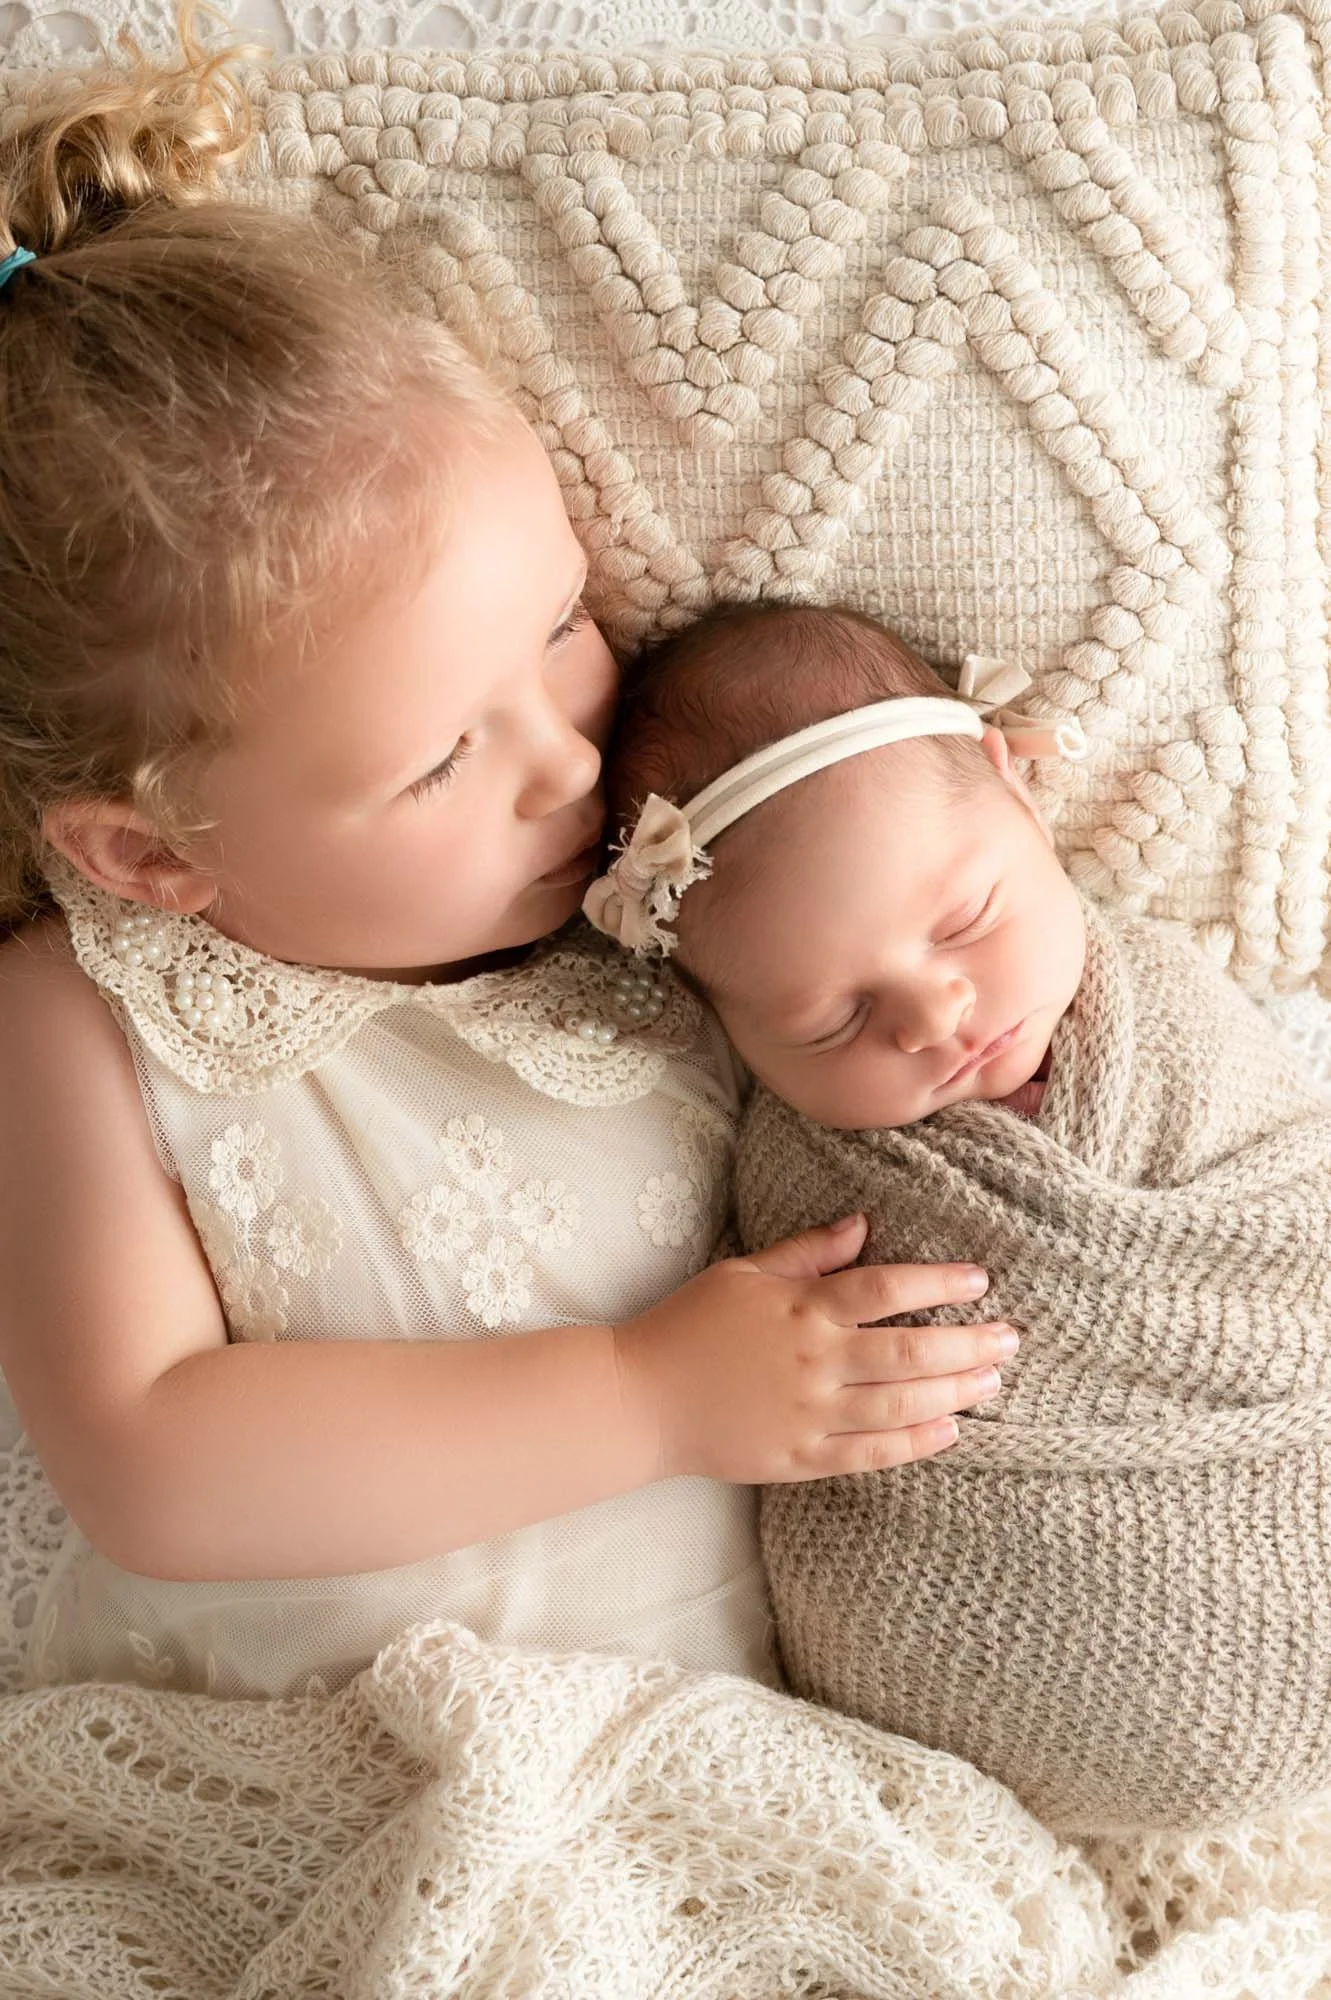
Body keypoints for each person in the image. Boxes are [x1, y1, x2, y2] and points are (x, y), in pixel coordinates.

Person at [0, 20, 1016, 1699]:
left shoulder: (661, 897)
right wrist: (645, 1396)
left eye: (559, 628)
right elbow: (149, 1460)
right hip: (314, 1769)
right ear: (155, 853)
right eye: (441, 760)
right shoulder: (78, 1018)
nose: (566, 760)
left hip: (712, 1750)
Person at [588, 599, 1331, 1833]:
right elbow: (813, 1381)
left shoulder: (1165, 1005)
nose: (933, 1015)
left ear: (1013, 787)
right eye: (832, 1020)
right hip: (1006, 1639)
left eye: (963, 922)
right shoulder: (807, 1181)